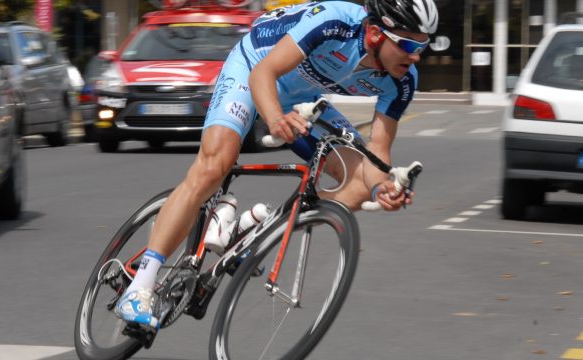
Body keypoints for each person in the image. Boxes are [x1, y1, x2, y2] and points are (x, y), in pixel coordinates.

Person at [115, 0, 439, 332]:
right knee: (216, 165)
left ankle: (254, 231)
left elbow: (378, 153)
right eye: (409, 45)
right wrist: (273, 118)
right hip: (254, 67)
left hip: (301, 97)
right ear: (374, 34)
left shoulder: (402, 80)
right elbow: (263, 73)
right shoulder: (334, 24)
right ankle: (140, 286)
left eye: (423, 46)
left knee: (356, 186)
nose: (415, 57)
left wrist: (381, 188)